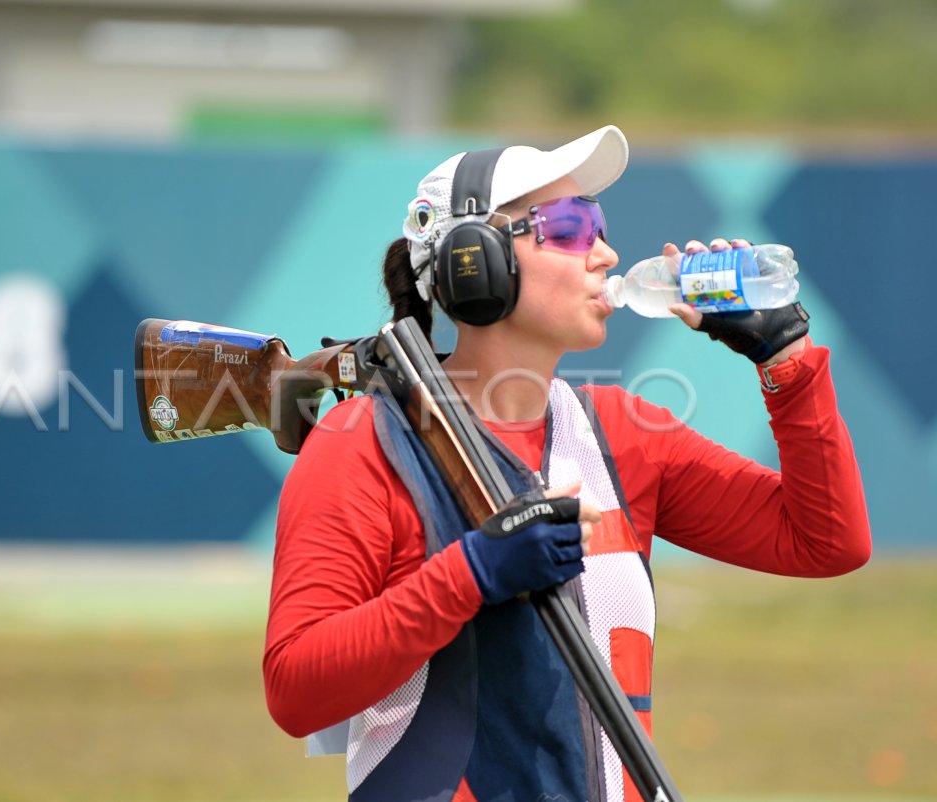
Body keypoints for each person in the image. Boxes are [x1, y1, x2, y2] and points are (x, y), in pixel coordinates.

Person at [262, 125, 872, 802]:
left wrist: (784, 357)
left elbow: (827, 542)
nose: (607, 254)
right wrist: (470, 573)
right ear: (476, 260)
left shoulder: (621, 429)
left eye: (599, 227)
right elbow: (295, 689)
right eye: (572, 227)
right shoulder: (361, 441)